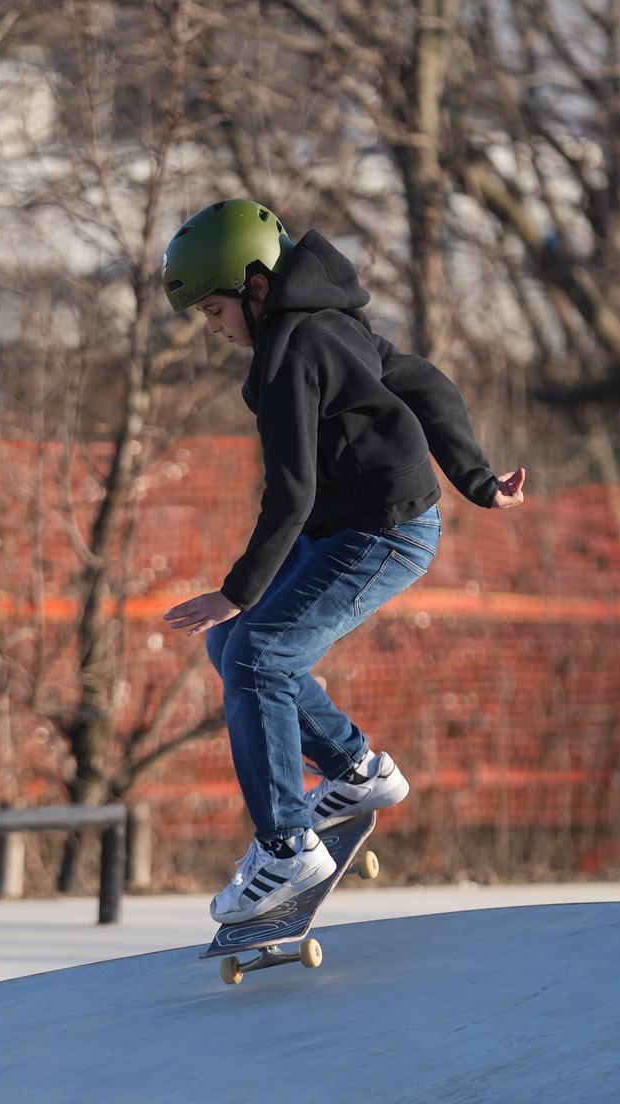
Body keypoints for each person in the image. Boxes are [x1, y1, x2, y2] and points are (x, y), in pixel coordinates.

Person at [158, 199, 526, 924]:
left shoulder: (292, 353)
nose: (214, 327)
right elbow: (425, 382)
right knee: (234, 646)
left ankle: (286, 848)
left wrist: (237, 589)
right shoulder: (330, 321)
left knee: (256, 652)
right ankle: (355, 770)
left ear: (256, 286)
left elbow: (289, 491)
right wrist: (479, 481)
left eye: (216, 310)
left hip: (381, 535)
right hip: (348, 525)